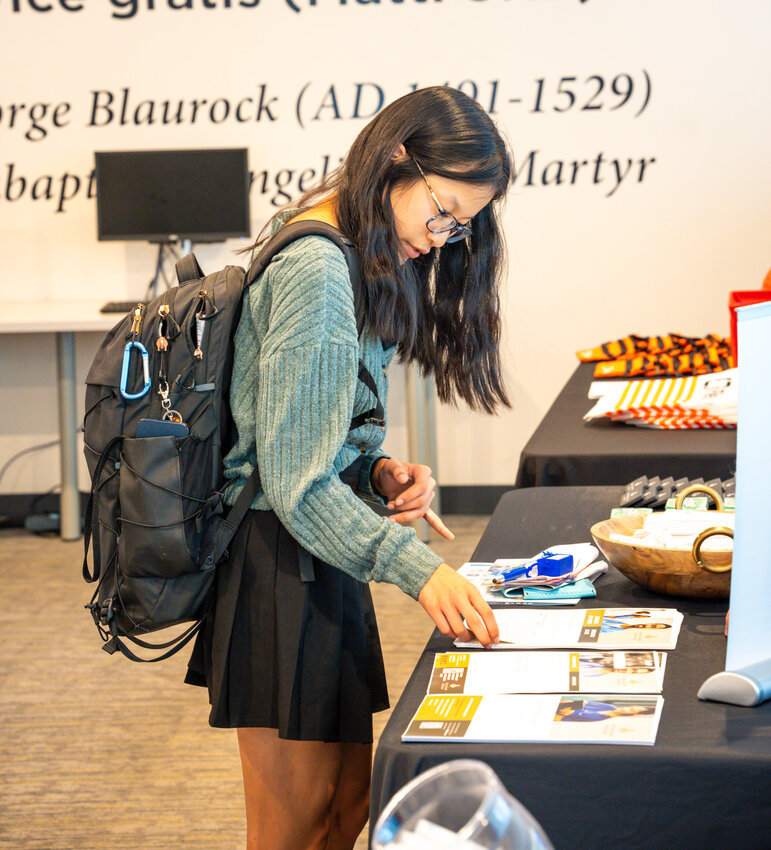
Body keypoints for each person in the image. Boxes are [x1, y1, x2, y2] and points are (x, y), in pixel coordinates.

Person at [185, 86, 513, 850]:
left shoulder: (349, 246)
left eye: (461, 225)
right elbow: (293, 484)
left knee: (345, 809)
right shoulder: (316, 270)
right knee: (291, 829)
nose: (441, 238)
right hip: (274, 565)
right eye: (440, 212)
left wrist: (376, 473)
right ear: (398, 157)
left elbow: (308, 440)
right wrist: (420, 570)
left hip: (318, 555)